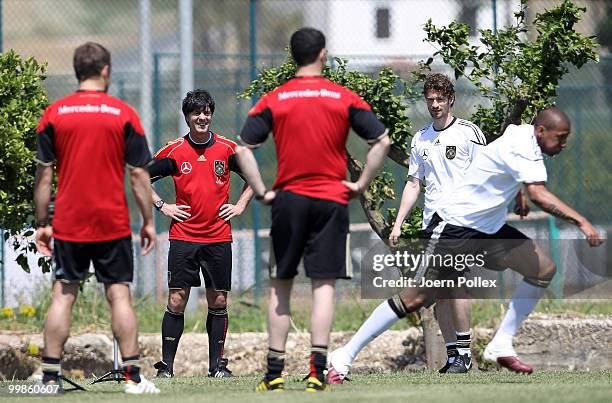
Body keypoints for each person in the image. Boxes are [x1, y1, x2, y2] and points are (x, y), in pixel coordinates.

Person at [347, 106, 602, 375]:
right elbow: (539, 193)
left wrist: (518, 194)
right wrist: (581, 221)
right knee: (415, 299)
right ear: (541, 131)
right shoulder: (525, 146)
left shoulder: (521, 133)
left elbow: (501, 154)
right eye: (560, 137)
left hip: (486, 231)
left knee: (543, 269)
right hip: (455, 228)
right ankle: (344, 355)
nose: (563, 144)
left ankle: (500, 344)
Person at [234, 27, 390, 392]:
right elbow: (381, 140)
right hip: (331, 200)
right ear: (322, 54)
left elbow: (243, 148)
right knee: (323, 286)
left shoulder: (275, 98)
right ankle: (317, 371)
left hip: (288, 200)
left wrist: (261, 191)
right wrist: (361, 184)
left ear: (294, 56)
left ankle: (274, 372)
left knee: (280, 285)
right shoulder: (342, 96)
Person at [327, 73, 495, 381]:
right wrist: (399, 223)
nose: (434, 105)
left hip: (461, 224)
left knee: (434, 290)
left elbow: (488, 175)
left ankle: (345, 355)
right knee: (440, 293)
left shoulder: (469, 133)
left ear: (451, 99)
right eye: (429, 99)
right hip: (434, 225)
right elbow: (414, 183)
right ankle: (457, 355)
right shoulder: (421, 139)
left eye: (439, 99)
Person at [34, 42, 159, 394]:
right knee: (119, 295)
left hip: (70, 220)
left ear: (78, 71)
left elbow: (44, 177)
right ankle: (133, 377)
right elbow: (138, 175)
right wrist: (148, 221)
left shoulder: (54, 113)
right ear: (106, 70)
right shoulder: (124, 114)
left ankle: (50, 378)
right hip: (112, 221)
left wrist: (43, 223)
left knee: (63, 295)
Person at [147, 89, 253, 379]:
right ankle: (166, 368)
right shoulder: (174, 150)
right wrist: (162, 205)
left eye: (206, 112)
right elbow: (139, 178)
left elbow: (254, 178)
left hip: (219, 236)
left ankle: (217, 366)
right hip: (183, 236)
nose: (202, 117)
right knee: (177, 300)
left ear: (211, 114)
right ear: (188, 117)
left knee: (218, 301)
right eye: (196, 113)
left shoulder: (228, 149)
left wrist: (240, 205)